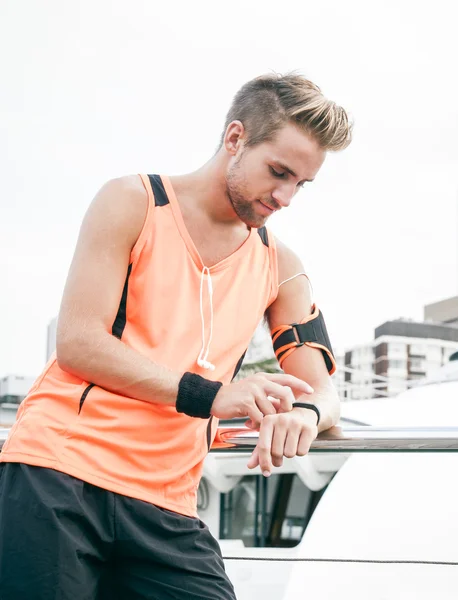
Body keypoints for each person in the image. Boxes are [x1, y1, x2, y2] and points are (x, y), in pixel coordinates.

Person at [0, 72, 352, 599]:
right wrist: (214, 396)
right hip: (58, 473)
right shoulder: (131, 201)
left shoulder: (282, 267)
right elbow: (78, 341)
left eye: (301, 183)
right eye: (278, 172)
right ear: (235, 139)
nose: (285, 197)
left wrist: (305, 414)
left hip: (167, 504)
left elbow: (324, 392)